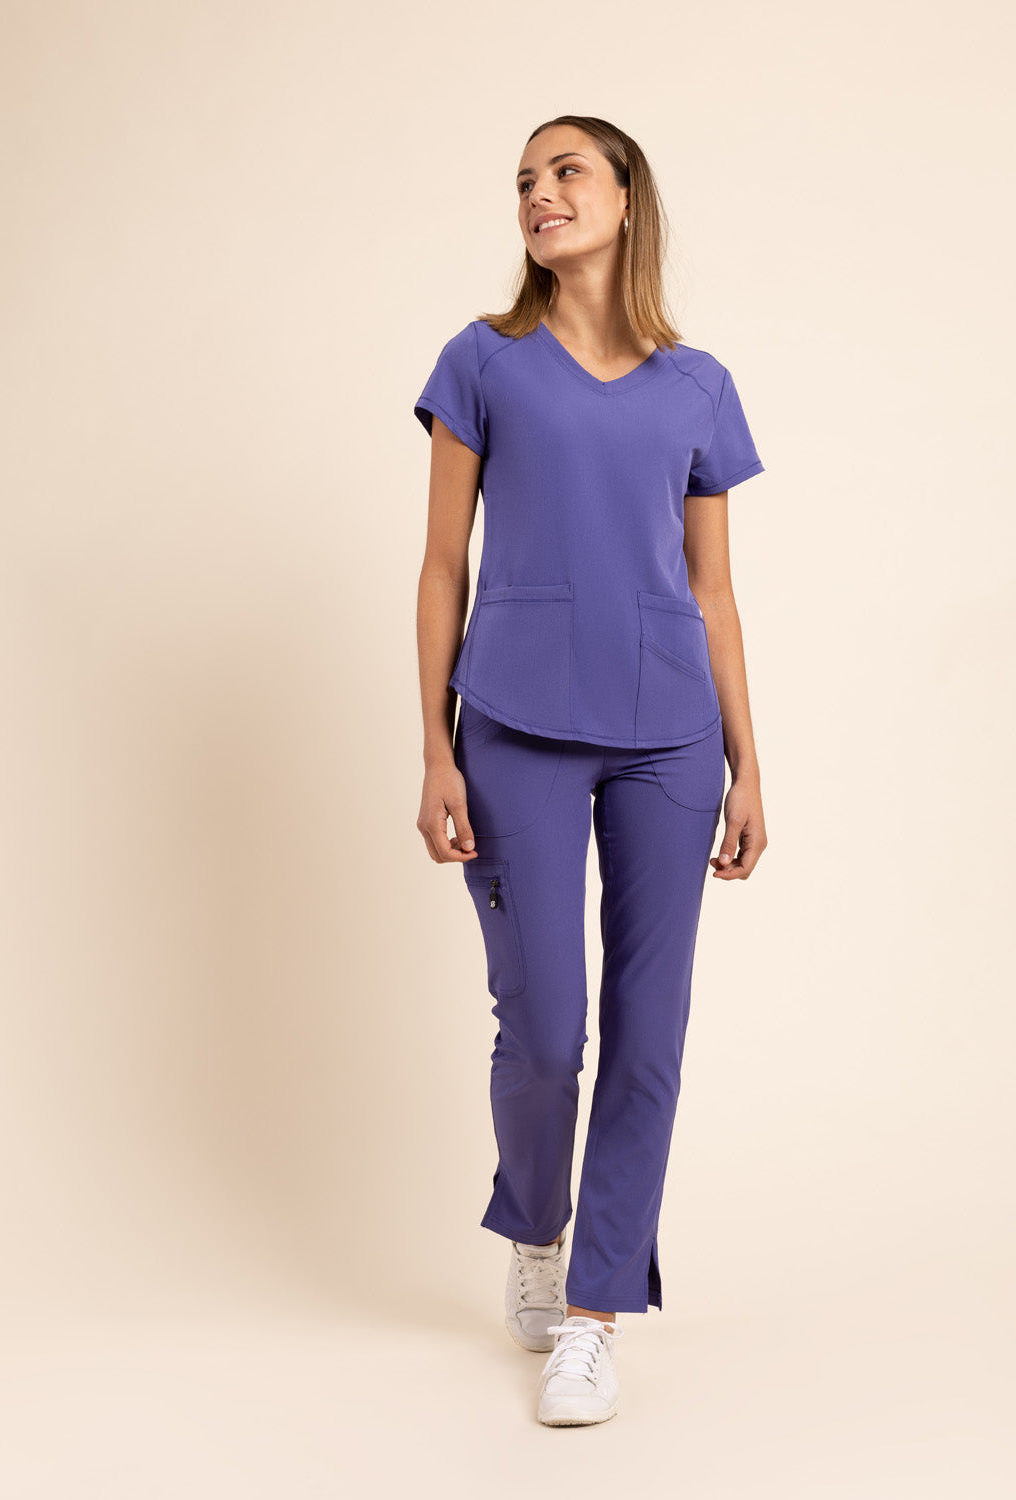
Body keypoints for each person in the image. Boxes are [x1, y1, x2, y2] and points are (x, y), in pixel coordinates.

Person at [414, 114, 768, 1426]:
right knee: (547, 1027)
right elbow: (441, 565)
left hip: (670, 735)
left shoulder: (699, 386)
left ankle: (597, 1310)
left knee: (649, 1031)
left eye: (566, 171)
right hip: (514, 722)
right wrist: (434, 745)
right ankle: (536, 1228)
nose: (540, 192)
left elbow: (714, 593)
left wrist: (748, 761)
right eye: (525, 179)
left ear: (627, 198)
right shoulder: (482, 361)